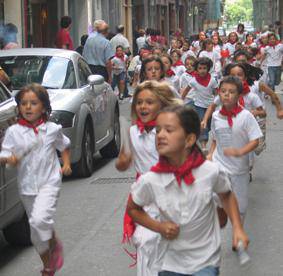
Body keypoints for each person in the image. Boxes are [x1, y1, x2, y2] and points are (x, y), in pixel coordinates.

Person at [127, 104, 249, 276]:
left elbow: (226, 195)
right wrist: (159, 226)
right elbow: (133, 208)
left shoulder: (210, 171)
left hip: (205, 261)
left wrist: (237, 227)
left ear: (190, 140)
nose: (160, 135)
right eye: (158, 130)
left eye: (168, 130)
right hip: (168, 262)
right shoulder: (150, 180)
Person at [0, 83, 72, 276]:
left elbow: (64, 145)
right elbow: (5, 155)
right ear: (18, 107)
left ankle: (54, 243)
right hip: (27, 187)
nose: (28, 107)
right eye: (24, 103)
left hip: (49, 183)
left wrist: (66, 163)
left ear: (43, 107)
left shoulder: (52, 129)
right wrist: (10, 158)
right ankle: (48, 265)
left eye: (33, 103)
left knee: (41, 220)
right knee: (36, 233)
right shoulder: (13, 132)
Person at [116, 81, 181, 276]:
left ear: (161, 105)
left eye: (149, 102)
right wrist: (124, 160)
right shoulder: (132, 132)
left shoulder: (170, 132)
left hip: (171, 193)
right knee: (144, 241)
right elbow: (122, 163)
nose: (143, 106)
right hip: (145, 197)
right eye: (139, 102)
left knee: (166, 245)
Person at [208, 76, 263, 222]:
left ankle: (238, 233)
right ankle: (219, 226)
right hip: (219, 164)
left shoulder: (246, 116)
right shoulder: (215, 116)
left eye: (231, 92)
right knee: (216, 199)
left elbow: (255, 140)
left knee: (241, 207)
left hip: (239, 169)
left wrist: (240, 151)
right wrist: (210, 153)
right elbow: (215, 138)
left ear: (239, 95)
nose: (226, 94)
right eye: (223, 91)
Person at [182, 58, 218, 151]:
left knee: (209, 125)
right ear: (197, 70)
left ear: (208, 68)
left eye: (204, 68)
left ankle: (200, 135)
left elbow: (216, 92)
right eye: (200, 68)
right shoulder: (194, 81)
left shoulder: (212, 80)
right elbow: (186, 90)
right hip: (198, 105)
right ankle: (203, 146)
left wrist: (218, 102)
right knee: (203, 124)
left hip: (210, 106)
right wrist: (181, 100)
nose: (202, 70)